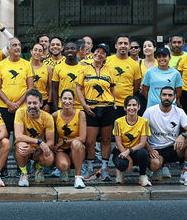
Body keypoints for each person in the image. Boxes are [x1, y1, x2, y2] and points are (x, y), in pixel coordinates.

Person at [144, 86, 187, 186]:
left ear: (174, 97)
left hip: (174, 148)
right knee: (155, 165)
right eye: (164, 95)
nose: (167, 97)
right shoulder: (150, 111)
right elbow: (140, 134)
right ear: (160, 96)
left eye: (170, 95)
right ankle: (156, 169)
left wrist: (182, 135)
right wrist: (149, 150)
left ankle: (185, 173)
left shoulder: (179, 112)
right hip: (156, 149)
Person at [76, 42, 115, 181]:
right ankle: (90, 167)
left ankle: (104, 168)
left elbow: (112, 88)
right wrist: (85, 106)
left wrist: (114, 102)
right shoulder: (85, 69)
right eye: (97, 51)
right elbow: (78, 88)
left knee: (106, 139)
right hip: (91, 108)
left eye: (103, 53)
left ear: (106, 56)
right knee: (90, 141)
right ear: (93, 53)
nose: (99, 54)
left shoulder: (109, 70)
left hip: (107, 108)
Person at [14, 89, 55, 186]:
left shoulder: (48, 117)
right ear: (26, 103)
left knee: (49, 158)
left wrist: (34, 148)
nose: (32, 106)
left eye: (35, 103)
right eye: (29, 103)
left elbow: (51, 142)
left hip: (38, 150)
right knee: (21, 146)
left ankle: (38, 167)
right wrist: (39, 141)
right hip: (27, 146)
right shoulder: (20, 112)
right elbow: (18, 136)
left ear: (41, 103)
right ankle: (24, 173)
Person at [0, 37, 33, 132]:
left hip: (23, 107)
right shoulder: (1, 64)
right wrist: (9, 103)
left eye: (19, 45)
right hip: (4, 107)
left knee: (21, 138)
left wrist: (18, 104)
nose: (18, 47)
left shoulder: (27, 64)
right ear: (8, 49)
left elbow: (30, 88)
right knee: (4, 137)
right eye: (14, 45)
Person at [112, 95, 151, 186]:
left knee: (143, 153)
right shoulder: (118, 122)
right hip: (122, 151)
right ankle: (121, 173)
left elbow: (142, 143)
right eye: (129, 105)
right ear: (125, 108)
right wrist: (128, 158)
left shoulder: (144, 122)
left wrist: (129, 152)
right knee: (121, 161)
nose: (132, 108)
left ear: (139, 107)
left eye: (134, 105)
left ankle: (143, 176)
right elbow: (119, 143)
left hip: (136, 151)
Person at [52, 89, 87, 188]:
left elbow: (82, 138)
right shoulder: (55, 115)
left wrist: (64, 142)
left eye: (70, 99)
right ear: (60, 100)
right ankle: (64, 170)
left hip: (76, 148)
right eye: (65, 98)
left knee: (76, 143)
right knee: (63, 165)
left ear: (74, 101)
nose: (67, 101)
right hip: (62, 149)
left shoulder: (80, 114)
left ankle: (78, 177)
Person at [105, 35, 141, 118]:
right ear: (116, 46)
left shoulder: (135, 65)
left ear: (129, 46)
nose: (123, 46)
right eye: (120, 43)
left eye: (125, 43)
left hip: (126, 105)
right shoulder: (107, 61)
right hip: (109, 103)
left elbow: (136, 86)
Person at [51, 42, 83, 112]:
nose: (69, 50)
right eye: (67, 49)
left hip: (80, 106)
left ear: (77, 50)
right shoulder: (58, 67)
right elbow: (54, 89)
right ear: (63, 51)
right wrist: (56, 108)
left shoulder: (84, 67)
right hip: (63, 106)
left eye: (72, 48)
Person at [30, 43, 52, 112]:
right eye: (35, 50)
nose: (37, 52)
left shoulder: (48, 68)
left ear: (42, 53)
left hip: (44, 100)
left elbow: (50, 88)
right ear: (31, 51)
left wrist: (48, 103)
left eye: (40, 51)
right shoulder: (26, 67)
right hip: (29, 100)